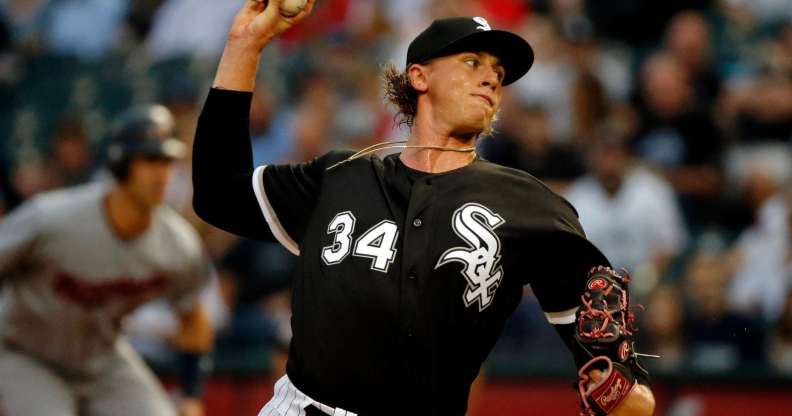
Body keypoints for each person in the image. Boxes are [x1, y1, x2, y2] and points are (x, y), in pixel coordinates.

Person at [192, 1, 655, 415]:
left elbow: (619, 378)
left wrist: (621, 388)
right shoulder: (340, 177)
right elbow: (218, 194)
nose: (492, 77)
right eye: (472, 61)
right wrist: (245, 44)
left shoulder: (529, 206)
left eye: (498, 70)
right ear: (419, 76)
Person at [0, 105, 213, 416]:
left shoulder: (177, 244)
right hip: (27, 353)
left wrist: (192, 394)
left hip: (102, 361)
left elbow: (193, 320)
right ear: (121, 163)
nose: (163, 173)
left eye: (168, 161)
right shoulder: (52, 219)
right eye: (151, 160)